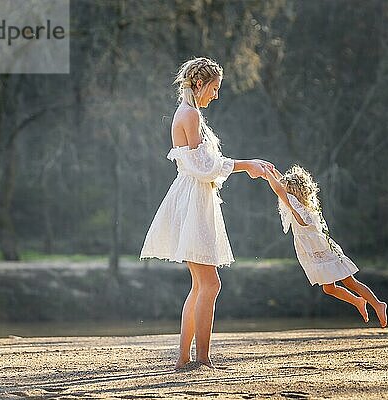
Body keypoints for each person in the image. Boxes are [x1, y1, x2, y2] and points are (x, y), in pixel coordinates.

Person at [140, 57, 275, 370]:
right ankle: (199, 358)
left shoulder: (189, 113)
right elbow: (204, 168)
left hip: (196, 199)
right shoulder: (189, 115)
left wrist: (246, 164)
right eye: (214, 88)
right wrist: (246, 165)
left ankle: (187, 358)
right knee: (209, 284)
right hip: (194, 201)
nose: (216, 95)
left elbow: (206, 165)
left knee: (202, 285)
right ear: (199, 84)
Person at [260, 164, 388, 327]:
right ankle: (358, 301)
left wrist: (266, 172)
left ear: (293, 193)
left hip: (326, 253)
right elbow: (281, 184)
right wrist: (271, 171)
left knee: (350, 283)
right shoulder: (303, 205)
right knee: (329, 288)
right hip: (320, 251)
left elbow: (279, 189)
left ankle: (378, 304)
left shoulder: (300, 210)